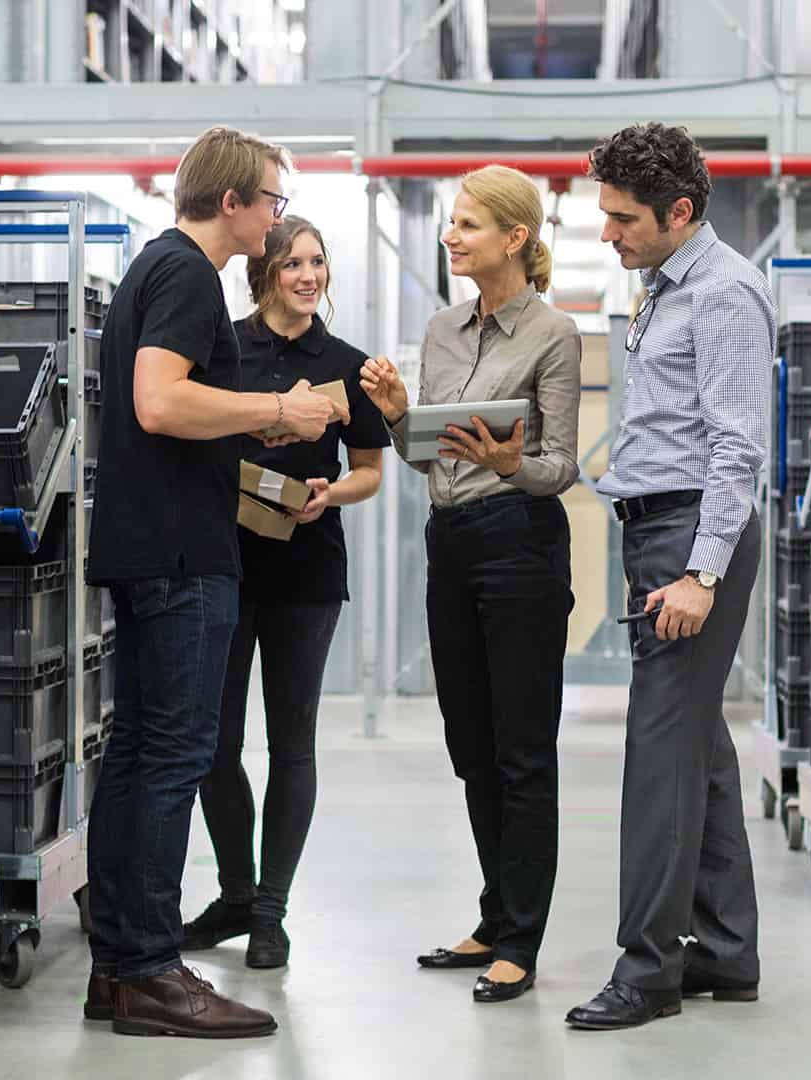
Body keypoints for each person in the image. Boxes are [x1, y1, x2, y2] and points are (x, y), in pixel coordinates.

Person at [82, 126, 347, 1040]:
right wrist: (276, 405)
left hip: (145, 544)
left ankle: (118, 966)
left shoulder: (154, 267)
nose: (277, 219)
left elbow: (172, 408)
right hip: (181, 558)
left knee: (136, 756)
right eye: (272, 201)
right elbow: (159, 401)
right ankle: (153, 971)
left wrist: (253, 426)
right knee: (174, 758)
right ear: (231, 201)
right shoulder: (191, 275)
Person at [563, 122, 774, 1032]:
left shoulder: (724, 293)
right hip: (659, 527)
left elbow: (737, 448)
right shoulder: (664, 286)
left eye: (623, 218)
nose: (608, 232)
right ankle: (725, 952)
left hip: (692, 539)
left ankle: (648, 969)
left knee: (658, 753)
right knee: (697, 747)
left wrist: (700, 573)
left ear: (679, 211)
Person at [359, 165, 580, 1005]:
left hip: (520, 543)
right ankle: (495, 916)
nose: (452, 237)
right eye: (452, 222)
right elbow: (430, 456)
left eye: (468, 224)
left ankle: (521, 939)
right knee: (471, 744)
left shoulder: (554, 334)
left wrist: (509, 462)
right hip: (449, 540)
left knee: (522, 748)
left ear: (516, 238)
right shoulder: (445, 329)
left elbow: (559, 467)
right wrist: (397, 411)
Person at [181, 216, 391, 970]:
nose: (309, 276)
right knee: (214, 744)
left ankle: (270, 912)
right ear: (264, 273)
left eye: (318, 262)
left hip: (307, 573)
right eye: (294, 263)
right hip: (226, 564)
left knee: (291, 743)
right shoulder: (223, 351)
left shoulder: (347, 365)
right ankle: (235, 895)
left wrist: (330, 494)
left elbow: (370, 470)